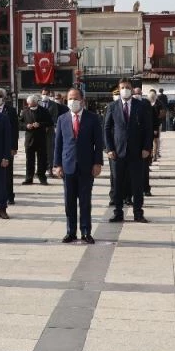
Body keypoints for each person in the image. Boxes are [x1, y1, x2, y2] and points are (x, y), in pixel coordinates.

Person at [54, 88, 104, 243]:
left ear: (82, 100)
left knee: (85, 201)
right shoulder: (62, 119)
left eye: (75, 98)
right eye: (70, 98)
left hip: (86, 166)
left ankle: (86, 231)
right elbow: (58, 144)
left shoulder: (92, 118)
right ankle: (71, 232)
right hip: (68, 166)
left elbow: (98, 143)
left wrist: (97, 163)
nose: (72, 101)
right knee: (69, 202)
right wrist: (57, 165)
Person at [105, 79, 153, 223]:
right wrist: (109, 148)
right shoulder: (112, 106)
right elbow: (106, 129)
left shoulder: (141, 106)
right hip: (117, 152)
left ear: (132, 89)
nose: (125, 89)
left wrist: (146, 148)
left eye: (127, 87)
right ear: (119, 90)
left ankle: (138, 213)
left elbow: (148, 128)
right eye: (122, 87)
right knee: (117, 183)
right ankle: (118, 212)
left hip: (137, 152)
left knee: (137, 184)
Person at [0, 88, 19, 205]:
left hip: (6, 146)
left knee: (7, 172)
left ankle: (9, 195)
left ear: (4, 97)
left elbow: (15, 129)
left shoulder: (10, 110)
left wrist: (14, 147)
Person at [20, 94, 53, 185]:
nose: (29, 105)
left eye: (30, 103)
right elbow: (20, 123)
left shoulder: (44, 111)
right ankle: (29, 178)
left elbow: (50, 122)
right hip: (29, 139)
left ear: (35, 102)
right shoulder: (25, 111)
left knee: (42, 160)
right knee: (29, 160)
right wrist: (26, 126)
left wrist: (40, 124)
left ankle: (42, 178)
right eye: (28, 103)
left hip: (41, 139)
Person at [41, 87, 68, 178]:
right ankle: (41, 169)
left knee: (50, 150)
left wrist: (48, 126)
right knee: (40, 151)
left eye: (46, 94)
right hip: (39, 131)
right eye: (43, 94)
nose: (44, 95)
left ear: (49, 94)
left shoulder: (53, 105)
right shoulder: (38, 103)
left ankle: (50, 169)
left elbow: (54, 117)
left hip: (50, 130)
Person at [143, 90, 164, 197]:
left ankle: (154, 156)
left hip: (153, 129)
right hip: (142, 135)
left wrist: (156, 128)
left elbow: (159, 116)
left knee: (155, 142)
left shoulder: (157, 104)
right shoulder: (144, 104)